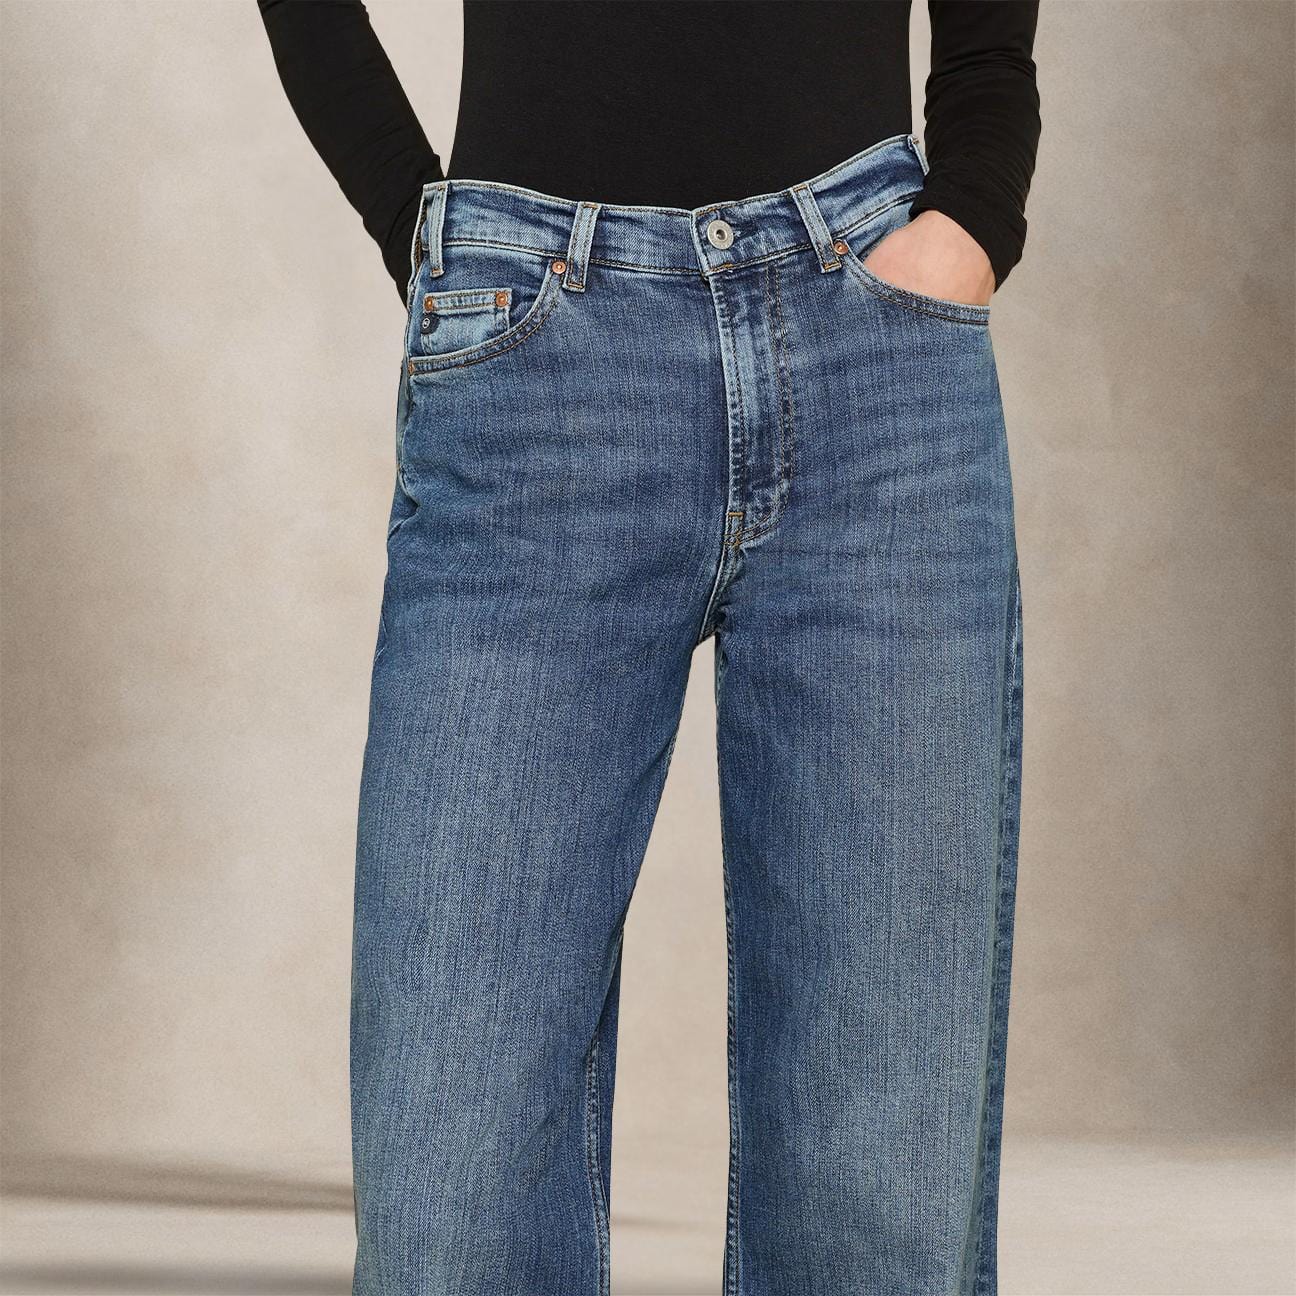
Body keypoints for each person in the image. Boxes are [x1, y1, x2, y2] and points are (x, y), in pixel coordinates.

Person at [257, 3, 1040, 1293]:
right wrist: (422, 231)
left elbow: (988, 46)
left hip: (872, 339)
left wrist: (975, 212)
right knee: (449, 1176)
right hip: (536, 343)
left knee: (876, 1179)